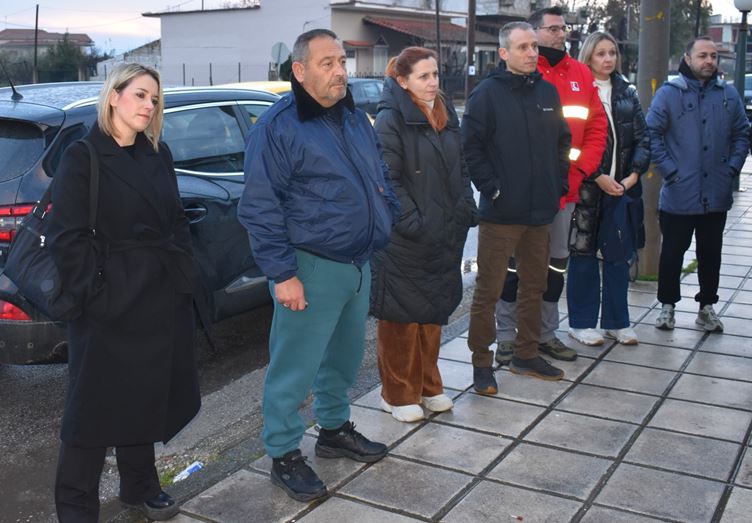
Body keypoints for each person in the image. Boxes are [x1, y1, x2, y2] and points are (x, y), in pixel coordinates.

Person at [237, 29, 400, 501]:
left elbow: (379, 174)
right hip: (309, 267)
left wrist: (388, 212)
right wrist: (283, 274)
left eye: (342, 61)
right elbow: (260, 207)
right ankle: (284, 453)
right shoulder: (278, 127)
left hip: (357, 262)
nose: (340, 71)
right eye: (327, 63)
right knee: (295, 367)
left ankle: (333, 429)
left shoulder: (353, 117)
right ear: (300, 70)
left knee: (344, 359)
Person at [48, 63, 200, 522]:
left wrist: (180, 275)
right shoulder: (83, 156)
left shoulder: (158, 152)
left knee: (143, 396)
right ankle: (76, 509)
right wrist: (99, 294)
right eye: (139, 95)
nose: (149, 105)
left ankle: (140, 486)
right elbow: (66, 239)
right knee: (90, 414)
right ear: (113, 96)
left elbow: (176, 219)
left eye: (154, 99)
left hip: (157, 297)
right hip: (107, 304)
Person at [494, 6, 608, 363]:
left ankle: (545, 334)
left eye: (563, 28)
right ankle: (506, 336)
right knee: (513, 267)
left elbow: (597, 128)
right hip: (522, 194)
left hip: (565, 191)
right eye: (554, 28)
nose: (561, 34)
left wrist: (581, 170)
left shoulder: (581, 74)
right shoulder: (519, 73)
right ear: (535, 32)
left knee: (556, 266)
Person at [462, 21, 571, 393]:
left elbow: (562, 143)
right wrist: (492, 189)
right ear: (504, 53)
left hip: (540, 212)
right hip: (501, 214)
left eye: (534, 47)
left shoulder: (547, 92)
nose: (531, 53)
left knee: (534, 286)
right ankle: (481, 363)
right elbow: (470, 147)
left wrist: (558, 184)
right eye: (523, 47)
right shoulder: (486, 94)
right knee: (488, 291)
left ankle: (526, 354)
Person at [371, 47, 478, 422]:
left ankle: (428, 385)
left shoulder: (445, 113)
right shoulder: (390, 119)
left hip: (444, 233)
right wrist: (414, 222)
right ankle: (397, 393)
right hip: (406, 239)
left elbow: (461, 168)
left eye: (435, 75)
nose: (433, 82)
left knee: (433, 311)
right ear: (402, 81)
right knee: (401, 317)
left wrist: (466, 207)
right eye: (423, 76)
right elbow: (387, 181)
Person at [647, 36, 749, 332]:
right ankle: (667, 306)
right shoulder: (669, 94)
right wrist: (671, 172)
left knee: (710, 254)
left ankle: (707, 307)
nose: (709, 61)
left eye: (713, 56)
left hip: (716, 193)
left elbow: (742, 134)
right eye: (703, 55)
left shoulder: (728, 95)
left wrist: (732, 169)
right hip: (679, 192)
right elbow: (652, 134)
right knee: (672, 253)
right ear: (688, 58)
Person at [566, 31, 650, 345]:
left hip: (621, 189)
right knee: (583, 254)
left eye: (612, 52)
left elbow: (644, 139)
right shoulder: (577, 91)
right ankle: (581, 323)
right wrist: (597, 175)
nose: (608, 59)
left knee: (618, 256)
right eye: (601, 53)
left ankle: (618, 322)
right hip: (587, 188)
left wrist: (633, 176)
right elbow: (569, 143)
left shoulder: (627, 92)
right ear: (588, 56)